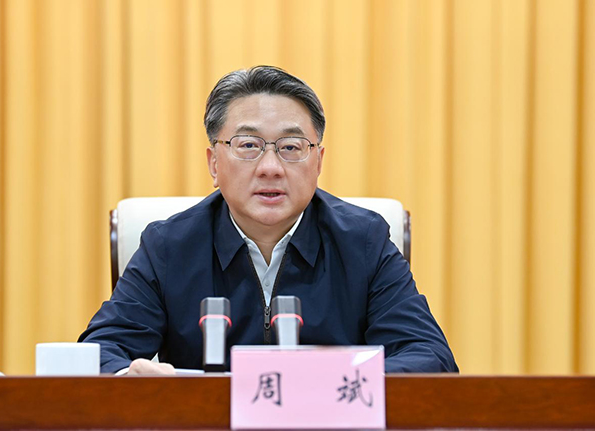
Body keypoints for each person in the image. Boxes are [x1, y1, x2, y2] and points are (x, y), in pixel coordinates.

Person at [79, 66, 458, 375]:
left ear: (318, 162)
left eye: (291, 147)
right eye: (249, 145)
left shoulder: (363, 241)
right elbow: (98, 353)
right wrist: (131, 379)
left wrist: (334, 383)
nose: (271, 168)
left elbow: (430, 357)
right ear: (214, 163)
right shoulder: (168, 246)